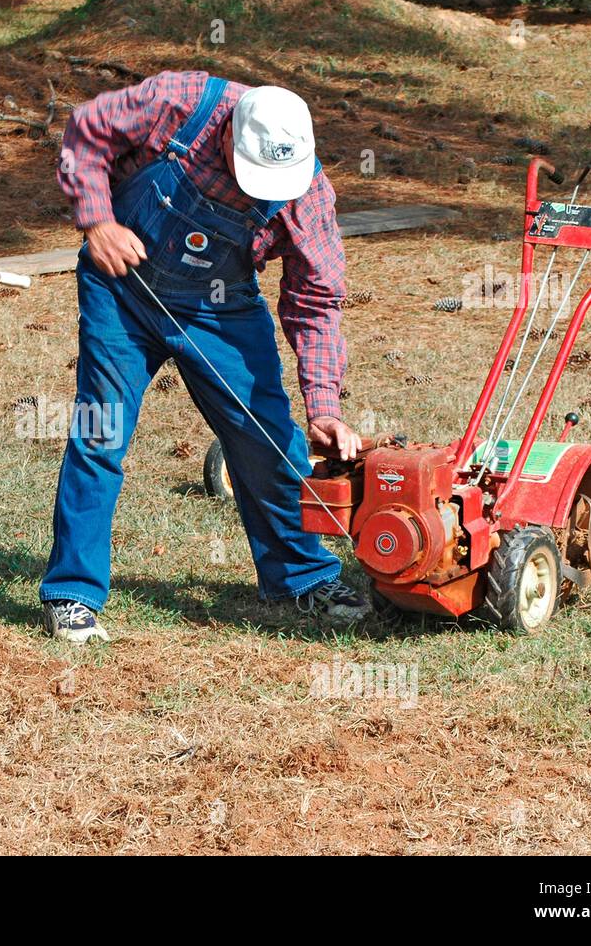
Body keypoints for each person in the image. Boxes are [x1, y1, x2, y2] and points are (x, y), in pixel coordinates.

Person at [38, 70, 372, 644]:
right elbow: (86, 129)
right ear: (228, 138)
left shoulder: (307, 193)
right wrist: (97, 221)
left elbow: (316, 297)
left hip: (220, 309)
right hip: (123, 288)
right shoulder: (182, 101)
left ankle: (302, 578)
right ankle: (72, 593)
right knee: (101, 432)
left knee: (269, 440)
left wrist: (323, 406)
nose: (260, 192)